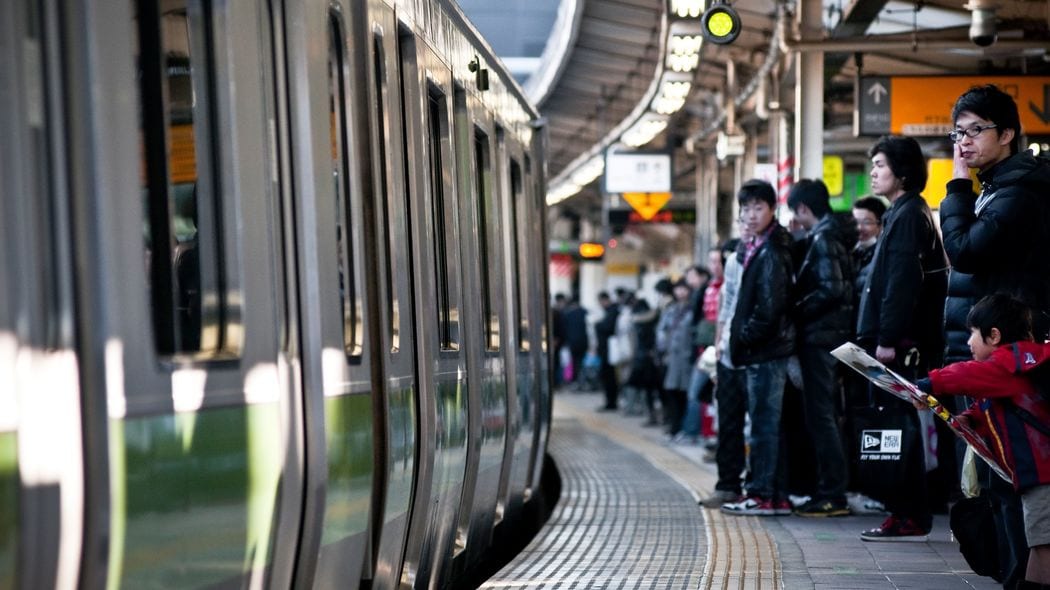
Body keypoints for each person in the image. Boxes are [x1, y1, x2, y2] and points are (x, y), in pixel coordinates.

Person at [940, 83, 1050, 587]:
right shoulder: (998, 187)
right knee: (997, 476)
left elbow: (965, 251)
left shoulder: (1019, 192)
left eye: (975, 131)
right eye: (958, 133)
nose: (964, 142)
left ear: (1007, 134)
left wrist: (957, 187)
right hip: (992, 344)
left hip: (1009, 350)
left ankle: (1019, 579)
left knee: (1009, 478)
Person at [914, 294, 1050, 588]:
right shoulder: (1016, 368)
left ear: (994, 335)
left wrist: (927, 384)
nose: (968, 343)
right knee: (1039, 543)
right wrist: (970, 419)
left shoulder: (1006, 363)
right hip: (1035, 475)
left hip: (1043, 476)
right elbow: (994, 404)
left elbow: (968, 375)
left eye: (973, 333)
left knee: (1043, 544)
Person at [856, 135, 948, 541]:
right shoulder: (903, 212)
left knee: (899, 428)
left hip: (901, 345)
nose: (873, 172)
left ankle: (909, 512)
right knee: (896, 426)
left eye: (880, 165)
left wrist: (889, 337)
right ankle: (904, 509)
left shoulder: (909, 215)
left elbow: (902, 281)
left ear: (903, 171)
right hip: (899, 341)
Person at [720, 180, 796, 517]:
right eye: (746, 209)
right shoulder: (758, 246)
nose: (751, 215)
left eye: (758, 208)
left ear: (772, 209)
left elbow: (770, 308)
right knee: (767, 424)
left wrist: (744, 337)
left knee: (764, 426)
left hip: (766, 351)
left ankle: (763, 494)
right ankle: (774, 494)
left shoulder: (772, 250)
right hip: (764, 350)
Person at [786, 179, 854, 517]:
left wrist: (797, 308)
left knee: (822, 416)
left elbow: (831, 289)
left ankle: (832, 493)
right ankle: (829, 489)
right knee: (825, 415)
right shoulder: (828, 234)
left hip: (821, 339)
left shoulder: (824, 237)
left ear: (802, 209)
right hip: (830, 337)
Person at [656, 279, 694, 439]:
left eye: (684, 289)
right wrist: (662, 350)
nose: (681, 292)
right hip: (671, 357)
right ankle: (674, 426)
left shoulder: (693, 309)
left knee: (685, 392)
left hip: (687, 358)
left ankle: (683, 428)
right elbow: (661, 330)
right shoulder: (671, 310)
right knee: (671, 390)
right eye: (678, 289)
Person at [851, 196, 886, 298]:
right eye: (855, 222)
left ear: (881, 225)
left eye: (866, 222)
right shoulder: (848, 251)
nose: (859, 228)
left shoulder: (883, 255)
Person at [595, 291, 620, 411]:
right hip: (606, 350)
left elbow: (607, 327)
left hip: (609, 351)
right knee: (607, 377)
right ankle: (610, 401)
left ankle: (611, 402)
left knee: (609, 377)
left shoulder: (613, 311)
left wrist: (598, 325)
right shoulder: (610, 311)